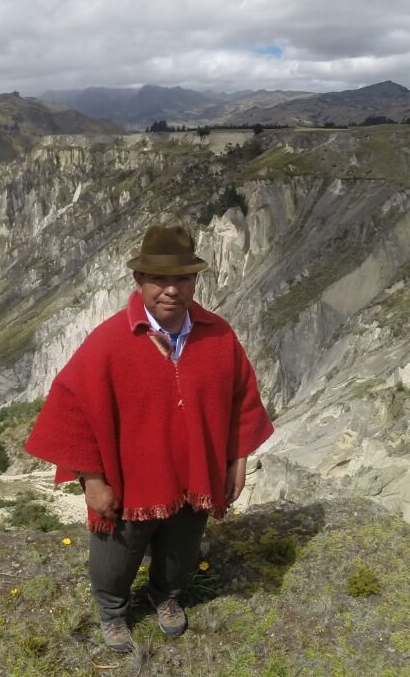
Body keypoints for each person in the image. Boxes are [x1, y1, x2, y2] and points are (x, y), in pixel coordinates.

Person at [23, 223, 273, 653]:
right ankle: (113, 610)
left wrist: (237, 461)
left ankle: (166, 595)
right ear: (139, 281)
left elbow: (242, 400)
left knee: (181, 547)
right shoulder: (109, 343)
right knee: (116, 556)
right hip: (129, 480)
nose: (170, 290)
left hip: (194, 474)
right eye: (158, 279)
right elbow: (71, 410)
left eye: (182, 278)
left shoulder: (219, 336)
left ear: (195, 281)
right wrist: (93, 480)